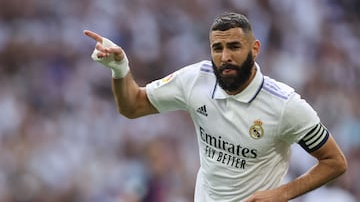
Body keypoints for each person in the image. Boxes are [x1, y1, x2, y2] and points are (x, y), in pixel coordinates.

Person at [83, 12, 347, 202]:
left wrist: (281, 194)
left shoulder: (285, 105)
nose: (225, 57)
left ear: (255, 49)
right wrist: (120, 69)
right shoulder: (196, 79)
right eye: (217, 48)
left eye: (234, 46)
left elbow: (335, 162)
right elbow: (133, 107)